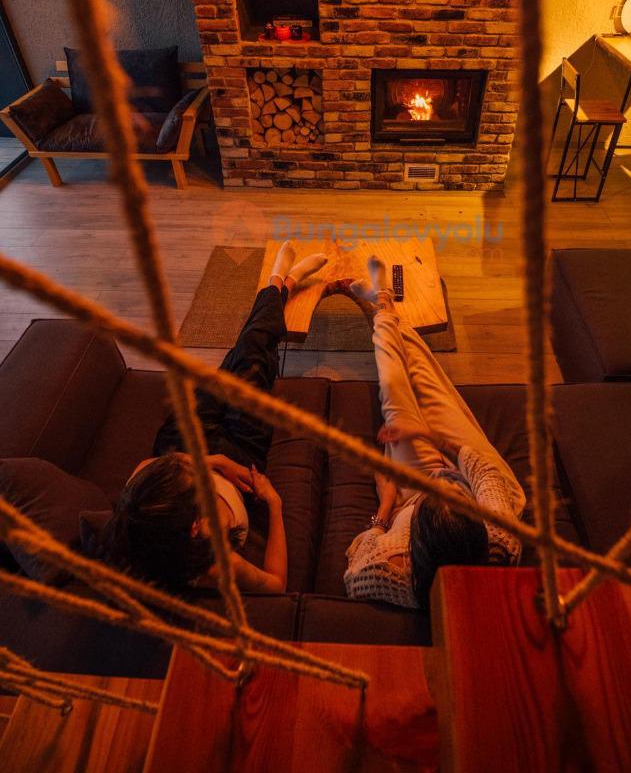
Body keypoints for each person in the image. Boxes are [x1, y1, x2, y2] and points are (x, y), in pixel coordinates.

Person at [99, 242, 327, 595]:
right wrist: (274, 504)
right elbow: (275, 584)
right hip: (241, 450)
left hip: (181, 440)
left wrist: (214, 462)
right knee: (251, 359)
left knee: (234, 363)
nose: (196, 467)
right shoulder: (216, 563)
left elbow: (147, 466)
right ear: (197, 526)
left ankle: (280, 285)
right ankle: (281, 284)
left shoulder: (142, 514)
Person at [343, 257, 526, 610]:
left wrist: (386, 505)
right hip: (472, 474)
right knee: (426, 381)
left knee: (394, 391)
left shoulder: (384, 570)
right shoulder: (501, 538)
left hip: (411, 491)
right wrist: (429, 435)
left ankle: (382, 306)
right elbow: (484, 471)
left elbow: (356, 564)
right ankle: (384, 304)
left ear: (415, 539)